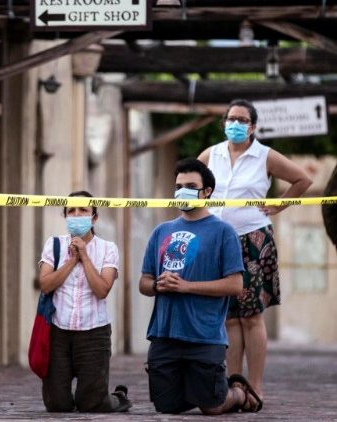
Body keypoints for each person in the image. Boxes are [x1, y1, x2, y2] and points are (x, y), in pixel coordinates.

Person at [198, 99, 313, 403]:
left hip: (253, 239)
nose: (234, 123)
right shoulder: (211, 154)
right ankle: (236, 386)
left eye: (241, 119)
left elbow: (303, 179)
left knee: (251, 316)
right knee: (230, 317)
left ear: (252, 126)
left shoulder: (265, 156)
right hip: (218, 240)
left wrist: (279, 204)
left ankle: (257, 386)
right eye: (230, 118)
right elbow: (193, 185)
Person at [139, 158, 262, 414]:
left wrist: (186, 286)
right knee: (166, 407)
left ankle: (237, 393)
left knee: (212, 408)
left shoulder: (223, 232)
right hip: (164, 334)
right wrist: (158, 286)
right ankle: (200, 387)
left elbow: (236, 285)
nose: (183, 191)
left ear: (207, 192)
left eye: (190, 185)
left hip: (204, 334)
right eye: (179, 185)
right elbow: (144, 282)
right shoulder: (161, 231)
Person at [37, 191, 132, 413]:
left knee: (93, 404)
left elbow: (102, 290)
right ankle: (74, 393)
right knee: (57, 404)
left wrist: (85, 257)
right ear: (65, 216)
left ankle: (118, 398)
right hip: (58, 331)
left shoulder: (108, 248)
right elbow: (46, 284)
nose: (77, 215)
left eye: (83, 210)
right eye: (72, 211)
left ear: (94, 217)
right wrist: (72, 261)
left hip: (94, 332)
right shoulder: (54, 245)